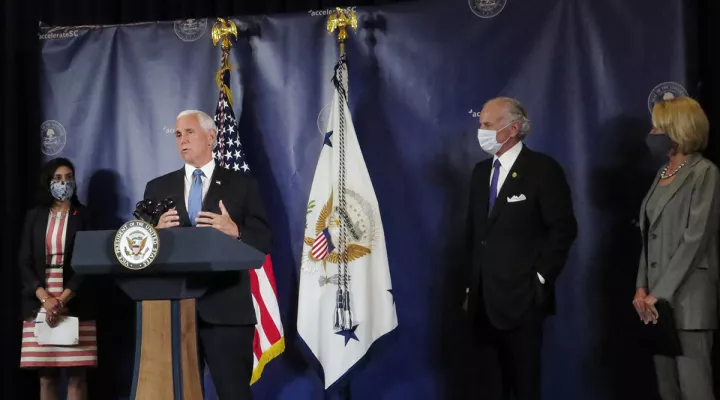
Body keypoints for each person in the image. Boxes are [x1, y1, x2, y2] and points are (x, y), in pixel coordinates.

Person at [143, 109, 271, 400]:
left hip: (227, 312)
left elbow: (265, 240)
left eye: (189, 132)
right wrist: (154, 230)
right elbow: (138, 248)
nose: (182, 140)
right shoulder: (157, 188)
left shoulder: (242, 185)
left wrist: (236, 231)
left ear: (211, 137)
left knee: (233, 394)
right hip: (173, 312)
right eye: (177, 135)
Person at [463, 97, 577, 400]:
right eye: (480, 124)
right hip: (482, 304)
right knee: (486, 387)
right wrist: (470, 288)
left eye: (487, 125)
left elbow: (563, 230)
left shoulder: (542, 170)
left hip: (522, 302)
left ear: (512, 128)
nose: (481, 130)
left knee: (524, 386)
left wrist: (539, 278)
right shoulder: (479, 173)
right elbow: (474, 235)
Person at [633, 96, 720, 400]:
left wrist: (661, 293)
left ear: (678, 129)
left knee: (694, 389)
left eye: (657, 129)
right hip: (656, 306)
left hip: (687, 302)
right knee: (667, 389)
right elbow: (649, 235)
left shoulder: (704, 173)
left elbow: (695, 239)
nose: (651, 135)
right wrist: (642, 288)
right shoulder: (661, 174)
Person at [18, 157, 98, 400]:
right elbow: (24, 261)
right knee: (46, 375)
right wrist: (44, 298)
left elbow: (89, 261)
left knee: (76, 374)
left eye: (69, 178)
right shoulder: (34, 216)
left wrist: (63, 299)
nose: (64, 183)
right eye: (58, 178)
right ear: (48, 183)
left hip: (75, 300)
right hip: (39, 301)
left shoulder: (83, 215)